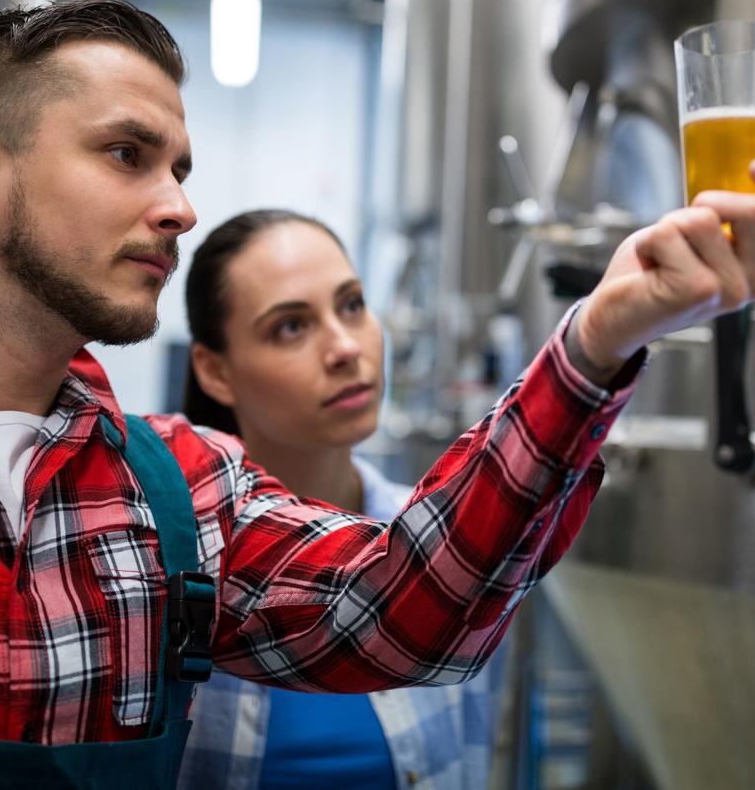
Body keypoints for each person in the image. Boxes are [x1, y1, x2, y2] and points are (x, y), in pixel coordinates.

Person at [0, 0, 755, 788]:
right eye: (129, 154)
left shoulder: (177, 486)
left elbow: (407, 614)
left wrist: (597, 338)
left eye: (181, 169)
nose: (177, 206)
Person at [174, 209, 506, 790]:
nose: (346, 348)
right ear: (214, 370)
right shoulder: (175, 567)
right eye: (290, 328)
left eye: (351, 305)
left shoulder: (447, 542)